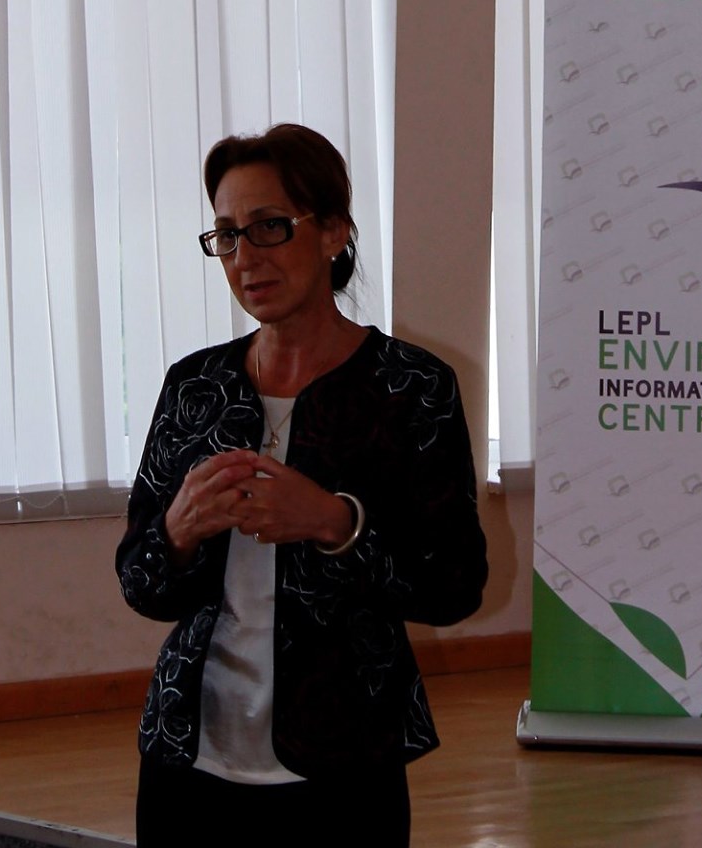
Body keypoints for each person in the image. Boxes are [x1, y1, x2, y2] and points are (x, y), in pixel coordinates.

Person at [116, 122, 488, 845]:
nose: (245, 257)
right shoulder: (195, 386)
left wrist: (334, 524)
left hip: (346, 761)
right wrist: (177, 532)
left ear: (333, 233)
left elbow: (453, 587)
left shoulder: (411, 387)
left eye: (270, 227)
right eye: (227, 235)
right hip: (186, 758)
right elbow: (141, 584)